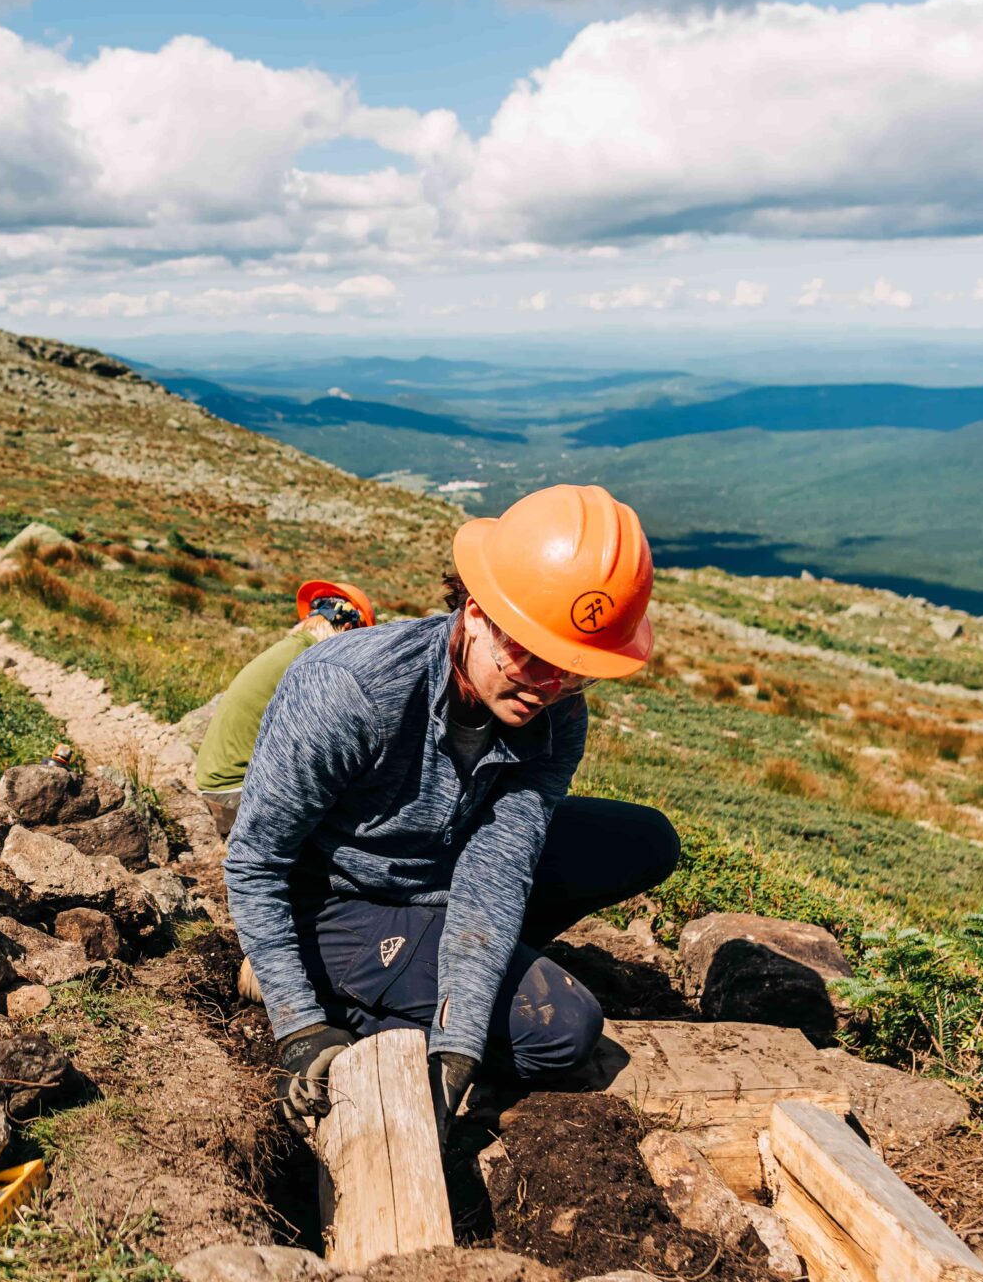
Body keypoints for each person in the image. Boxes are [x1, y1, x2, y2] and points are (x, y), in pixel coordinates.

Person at [224, 484, 681, 1137]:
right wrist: (299, 1025)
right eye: (529, 654)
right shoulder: (351, 691)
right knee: (564, 1031)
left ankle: (428, 972)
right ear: (475, 612)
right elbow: (255, 861)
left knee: (643, 840)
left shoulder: (554, 715)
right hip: (339, 898)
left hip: (445, 866)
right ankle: (311, 975)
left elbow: (497, 868)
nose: (546, 688)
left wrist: (458, 1039)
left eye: (573, 671)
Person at [193, 579, 376, 836]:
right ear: (347, 627)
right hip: (238, 788)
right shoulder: (314, 662)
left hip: (219, 779)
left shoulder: (291, 649)